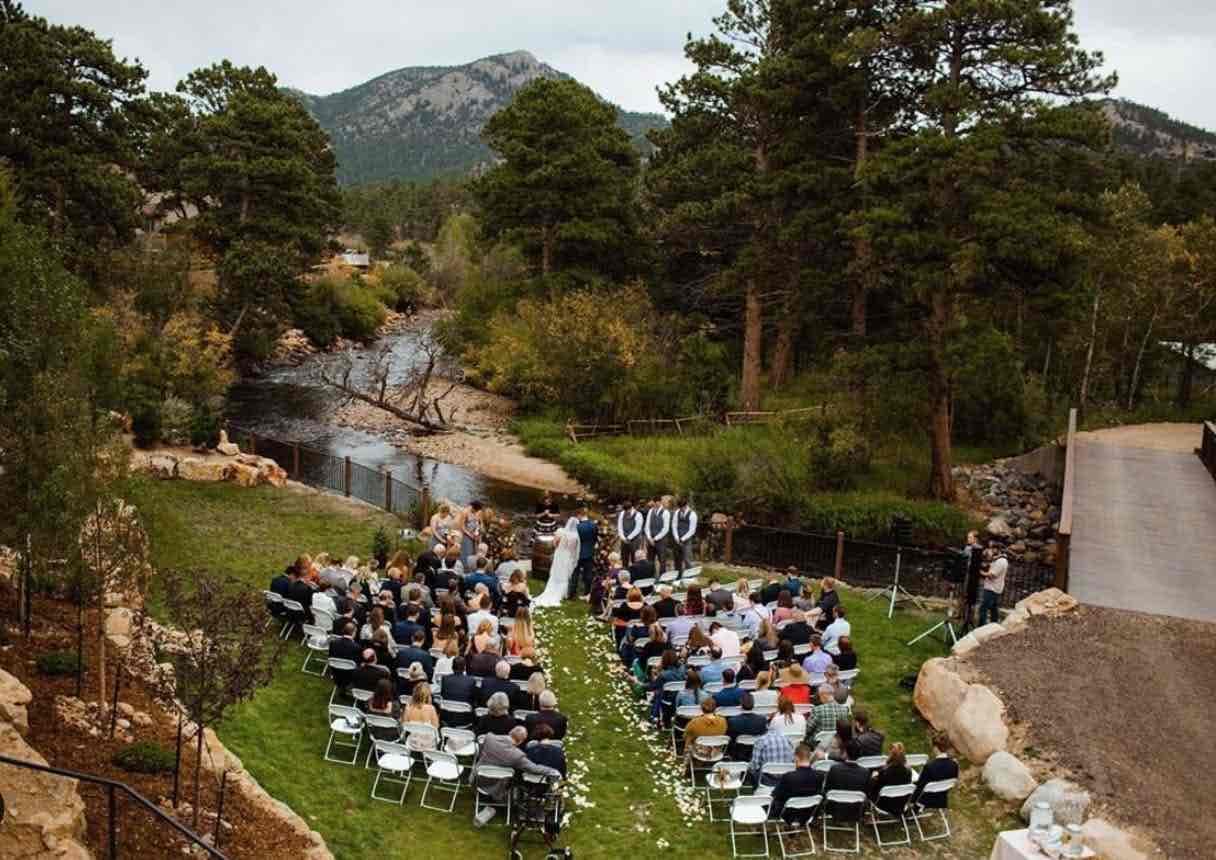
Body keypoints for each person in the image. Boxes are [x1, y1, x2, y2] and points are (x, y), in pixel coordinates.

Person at [476, 726, 562, 809]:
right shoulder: (517, 756)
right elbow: (534, 768)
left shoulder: (489, 738)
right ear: (521, 741)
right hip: (496, 788)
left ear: (510, 732)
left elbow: (480, 753)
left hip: (478, 780)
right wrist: (552, 770)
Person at [770, 743, 826, 824]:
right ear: (810, 757)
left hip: (788, 815)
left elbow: (775, 795)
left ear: (796, 757)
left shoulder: (789, 776)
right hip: (809, 814)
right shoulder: (820, 776)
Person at [534, 514, 580, 607]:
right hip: (568, 556)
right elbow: (574, 551)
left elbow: (554, 543)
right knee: (565, 574)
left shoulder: (560, 531)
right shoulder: (575, 537)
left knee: (556, 572)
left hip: (559, 554)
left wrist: (558, 546)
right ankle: (563, 593)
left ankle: (552, 588)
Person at [823, 740, 871, 820]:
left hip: (834, 809)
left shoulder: (835, 769)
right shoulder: (865, 772)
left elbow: (826, 789)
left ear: (845, 752)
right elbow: (867, 793)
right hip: (856, 810)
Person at [912, 734, 960, 808]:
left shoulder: (929, 767)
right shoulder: (955, 765)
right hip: (941, 800)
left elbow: (919, 787)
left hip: (925, 801)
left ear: (935, 748)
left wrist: (911, 800)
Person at [750, 715, 796, 786]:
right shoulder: (787, 739)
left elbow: (754, 765)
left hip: (767, 779)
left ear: (767, 726)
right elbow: (793, 760)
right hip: (786, 779)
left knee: (752, 769)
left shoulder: (761, 740)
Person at [869, 743, 914, 812]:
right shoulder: (909, 771)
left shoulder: (885, 772)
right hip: (901, 804)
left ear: (891, 756)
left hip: (884, 805)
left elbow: (875, 787)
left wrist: (873, 778)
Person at [573, 508, 599, 599]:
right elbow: (595, 539)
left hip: (578, 553)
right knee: (588, 574)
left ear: (580, 515)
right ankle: (587, 593)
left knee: (575, 574)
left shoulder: (577, 526)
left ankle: (572, 593)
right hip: (589, 552)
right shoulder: (593, 525)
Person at [643, 495, 672, 574]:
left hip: (661, 540)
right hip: (650, 540)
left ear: (659, 502)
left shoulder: (666, 512)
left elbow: (665, 529)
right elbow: (647, 526)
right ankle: (651, 577)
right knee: (650, 560)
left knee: (662, 560)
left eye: (656, 503)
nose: (654, 505)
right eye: (654, 503)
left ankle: (663, 578)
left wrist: (655, 539)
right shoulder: (650, 511)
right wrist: (649, 538)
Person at [979, 551, 1007, 626]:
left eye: (992, 549)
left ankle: (981, 627)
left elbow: (992, 575)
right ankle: (994, 626)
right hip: (993, 588)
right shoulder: (998, 560)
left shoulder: (1001, 562)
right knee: (993, 609)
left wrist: (980, 572)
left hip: (992, 589)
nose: (990, 550)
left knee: (983, 609)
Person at [671, 498, 698, 574]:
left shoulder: (692, 514)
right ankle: (677, 576)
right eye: (680, 507)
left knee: (687, 559)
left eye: (682, 507)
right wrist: (676, 537)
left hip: (686, 540)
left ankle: (690, 577)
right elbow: (674, 525)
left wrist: (682, 539)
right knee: (677, 559)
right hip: (677, 539)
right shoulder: (677, 512)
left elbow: (692, 530)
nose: (681, 509)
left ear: (686, 505)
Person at [457, 500, 484, 570]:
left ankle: (472, 567)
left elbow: (480, 522)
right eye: (475, 510)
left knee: (475, 552)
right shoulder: (465, 513)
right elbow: (461, 526)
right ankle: (464, 566)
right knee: (466, 551)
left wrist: (479, 529)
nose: (476, 512)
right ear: (473, 508)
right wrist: (470, 535)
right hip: (467, 535)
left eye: (477, 510)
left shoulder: (479, 512)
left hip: (475, 534)